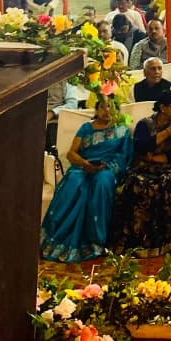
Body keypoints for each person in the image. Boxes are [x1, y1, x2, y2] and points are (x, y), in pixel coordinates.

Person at [41, 96, 132, 262]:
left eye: (111, 107)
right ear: (96, 109)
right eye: (103, 107)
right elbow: (71, 153)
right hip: (82, 167)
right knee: (73, 182)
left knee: (102, 182)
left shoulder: (122, 130)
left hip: (106, 169)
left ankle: (96, 239)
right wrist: (85, 164)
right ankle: (57, 236)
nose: (107, 111)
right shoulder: (86, 128)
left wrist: (106, 166)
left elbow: (124, 157)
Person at [109, 91, 171, 256]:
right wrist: (168, 132)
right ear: (163, 108)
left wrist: (158, 157)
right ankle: (135, 243)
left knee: (165, 184)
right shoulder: (145, 124)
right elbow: (141, 147)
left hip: (166, 168)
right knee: (137, 184)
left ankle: (164, 243)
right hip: (142, 167)